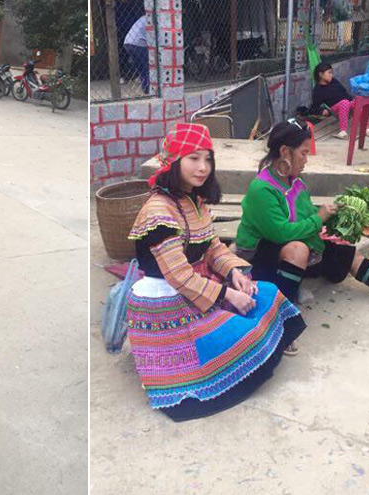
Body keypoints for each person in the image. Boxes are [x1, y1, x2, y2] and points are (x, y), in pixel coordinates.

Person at [125, 123, 307, 422]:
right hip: (168, 304)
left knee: (269, 293)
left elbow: (212, 247)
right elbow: (179, 277)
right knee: (244, 336)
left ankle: (258, 341)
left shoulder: (194, 200)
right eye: (193, 158)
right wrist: (227, 294)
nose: (203, 167)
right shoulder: (158, 211)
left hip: (199, 287)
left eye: (207, 159)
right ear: (174, 161)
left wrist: (234, 272)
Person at [235, 121, 369, 340]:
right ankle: (281, 320)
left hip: (292, 245)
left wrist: (332, 222)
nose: (306, 159)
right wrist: (319, 217)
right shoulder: (262, 189)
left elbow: (305, 215)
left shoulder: (294, 181)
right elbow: (281, 233)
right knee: (298, 249)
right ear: (285, 151)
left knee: (348, 253)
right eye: (303, 153)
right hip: (259, 256)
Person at [310, 62, 368, 139]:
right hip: (335, 108)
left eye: (332, 73)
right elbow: (314, 108)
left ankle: (365, 128)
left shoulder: (334, 82)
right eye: (329, 73)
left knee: (358, 102)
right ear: (320, 74)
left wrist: (352, 102)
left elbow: (344, 92)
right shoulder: (318, 90)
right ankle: (343, 131)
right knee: (344, 102)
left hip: (347, 103)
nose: (331, 75)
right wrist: (322, 111)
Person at [124, 15, 149, 94]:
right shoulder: (152, 19)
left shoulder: (143, 18)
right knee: (146, 66)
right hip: (139, 43)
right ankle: (147, 87)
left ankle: (145, 87)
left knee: (141, 67)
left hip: (128, 42)